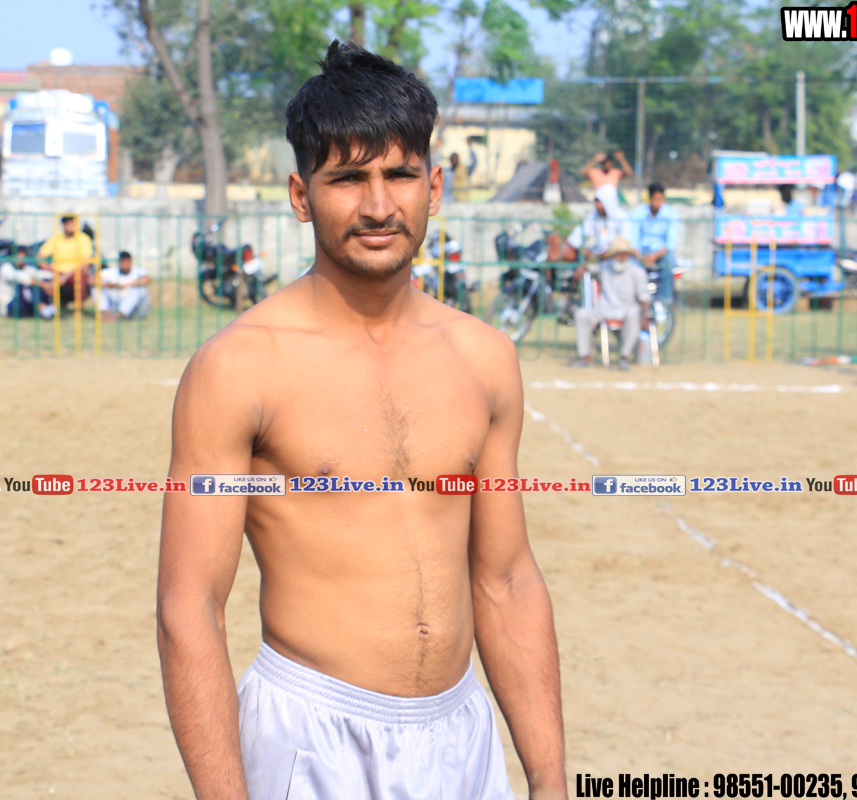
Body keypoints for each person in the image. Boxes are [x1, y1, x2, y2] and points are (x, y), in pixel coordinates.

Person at [158, 41, 566, 800]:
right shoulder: (239, 367)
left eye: (400, 175)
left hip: (461, 735)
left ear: (433, 186)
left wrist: (549, 777)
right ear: (301, 194)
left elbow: (506, 579)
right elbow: (190, 607)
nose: (379, 206)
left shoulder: (484, 358)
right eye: (348, 178)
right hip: (311, 735)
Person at [571, 238, 650, 371]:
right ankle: (585, 357)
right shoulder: (605, 267)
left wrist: (645, 317)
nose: (621, 258)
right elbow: (589, 267)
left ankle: (624, 357)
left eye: (624, 254)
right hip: (604, 309)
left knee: (634, 314)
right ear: (612, 255)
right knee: (581, 314)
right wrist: (583, 267)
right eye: (618, 254)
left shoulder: (638, 272)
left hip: (626, 309)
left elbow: (644, 298)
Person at [630, 183, 680, 301]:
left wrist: (654, 256)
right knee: (629, 265)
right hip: (641, 253)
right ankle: (634, 299)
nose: (657, 203)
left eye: (660, 199)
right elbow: (632, 239)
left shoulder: (671, 214)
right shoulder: (638, 213)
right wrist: (640, 256)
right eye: (655, 199)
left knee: (669, 264)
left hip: (661, 253)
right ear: (650, 198)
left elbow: (671, 243)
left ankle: (664, 300)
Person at [37, 215, 96, 307]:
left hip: (75, 272)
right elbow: (40, 256)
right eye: (70, 224)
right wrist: (47, 268)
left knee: (80, 276)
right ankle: (46, 307)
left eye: (75, 224)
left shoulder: (84, 239)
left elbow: (85, 264)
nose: (73, 226)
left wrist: (65, 276)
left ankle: (78, 309)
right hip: (57, 271)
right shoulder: (56, 238)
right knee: (42, 276)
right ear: (64, 225)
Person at [0, 245, 55, 319]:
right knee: (29, 285)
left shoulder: (25, 267)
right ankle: (45, 310)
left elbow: (41, 274)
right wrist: (45, 285)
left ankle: (50, 309)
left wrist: (56, 279)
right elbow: (26, 279)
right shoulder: (6, 268)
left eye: (23, 258)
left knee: (45, 280)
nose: (21, 260)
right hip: (9, 305)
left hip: (22, 303)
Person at [97, 251, 151, 320]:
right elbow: (91, 280)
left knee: (141, 289)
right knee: (96, 287)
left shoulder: (138, 271)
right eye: (123, 263)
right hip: (115, 306)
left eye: (127, 262)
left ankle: (120, 315)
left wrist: (125, 285)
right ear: (119, 263)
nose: (126, 265)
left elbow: (146, 280)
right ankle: (105, 315)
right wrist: (110, 285)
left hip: (136, 311)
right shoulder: (111, 272)